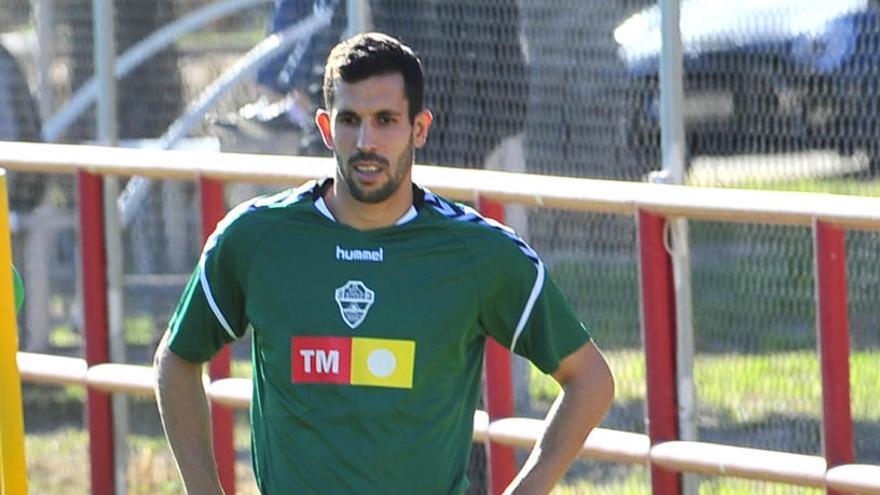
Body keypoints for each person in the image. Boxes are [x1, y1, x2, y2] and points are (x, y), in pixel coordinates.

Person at [154, 32, 614, 494]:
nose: (366, 141)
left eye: (386, 120)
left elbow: (590, 380)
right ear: (325, 127)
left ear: (420, 128)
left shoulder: (478, 253)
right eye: (350, 120)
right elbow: (176, 360)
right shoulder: (255, 239)